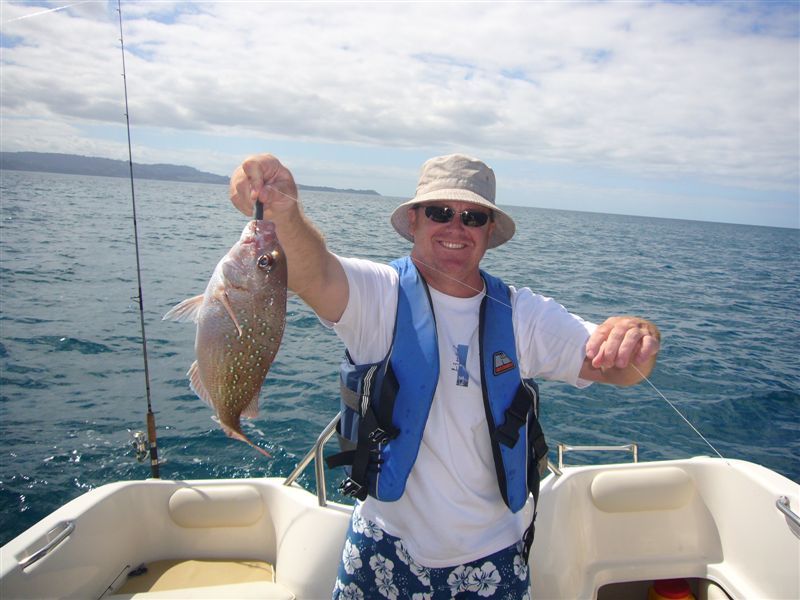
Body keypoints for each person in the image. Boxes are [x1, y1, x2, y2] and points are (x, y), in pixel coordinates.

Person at [230, 153, 660, 600]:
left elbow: (622, 369)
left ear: (488, 231)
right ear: (414, 220)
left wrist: (639, 335)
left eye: (472, 217)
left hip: (493, 558)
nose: (456, 228)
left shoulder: (522, 316)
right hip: (383, 546)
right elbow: (313, 273)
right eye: (440, 212)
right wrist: (284, 213)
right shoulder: (379, 295)